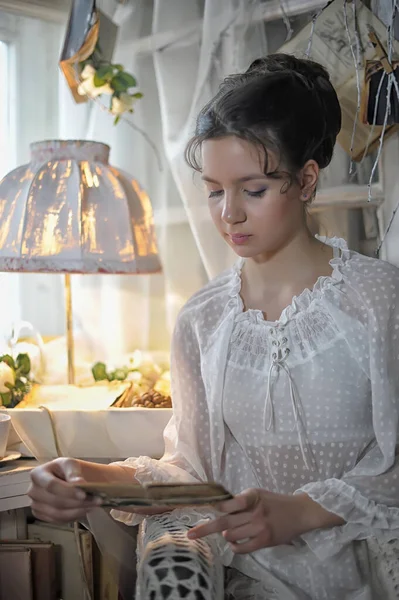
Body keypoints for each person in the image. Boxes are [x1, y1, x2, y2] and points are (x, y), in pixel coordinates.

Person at [28, 54, 399, 599]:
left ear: (306, 180)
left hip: (371, 572)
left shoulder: (378, 298)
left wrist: (303, 510)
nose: (230, 214)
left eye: (253, 189)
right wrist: (89, 477)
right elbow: (195, 473)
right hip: (254, 580)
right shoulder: (204, 318)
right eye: (214, 189)